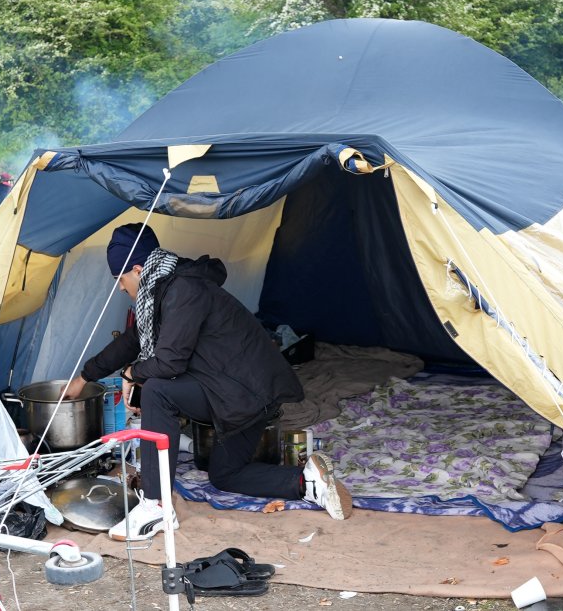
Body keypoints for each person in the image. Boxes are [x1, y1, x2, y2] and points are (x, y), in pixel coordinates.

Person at [65, 223, 352, 540]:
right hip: (243, 393)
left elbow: (170, 360)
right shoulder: (164, 294)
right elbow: (131, 342)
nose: (120, 288)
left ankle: (156, 505)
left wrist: (132, 374)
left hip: (242, 393)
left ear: (137, 269)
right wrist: (83, 378)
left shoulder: (183, 290)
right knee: (225, 474)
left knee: (158, 391)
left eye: (120, 279)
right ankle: (308, 483)